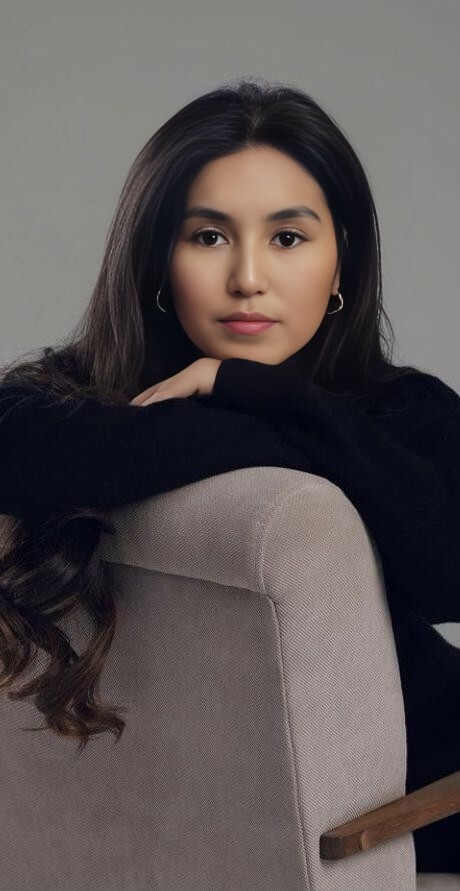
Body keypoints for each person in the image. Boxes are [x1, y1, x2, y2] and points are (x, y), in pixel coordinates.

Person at [0, 77, 459, 873]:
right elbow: (56, 451)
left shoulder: (401, 410)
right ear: (157, 260)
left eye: (289, 237)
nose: (248, 276)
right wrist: (282, 412)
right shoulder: (56, 414)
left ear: (341, 262)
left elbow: (452, 579)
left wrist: (263, 391)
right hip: (371, 813)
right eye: (209, 236)